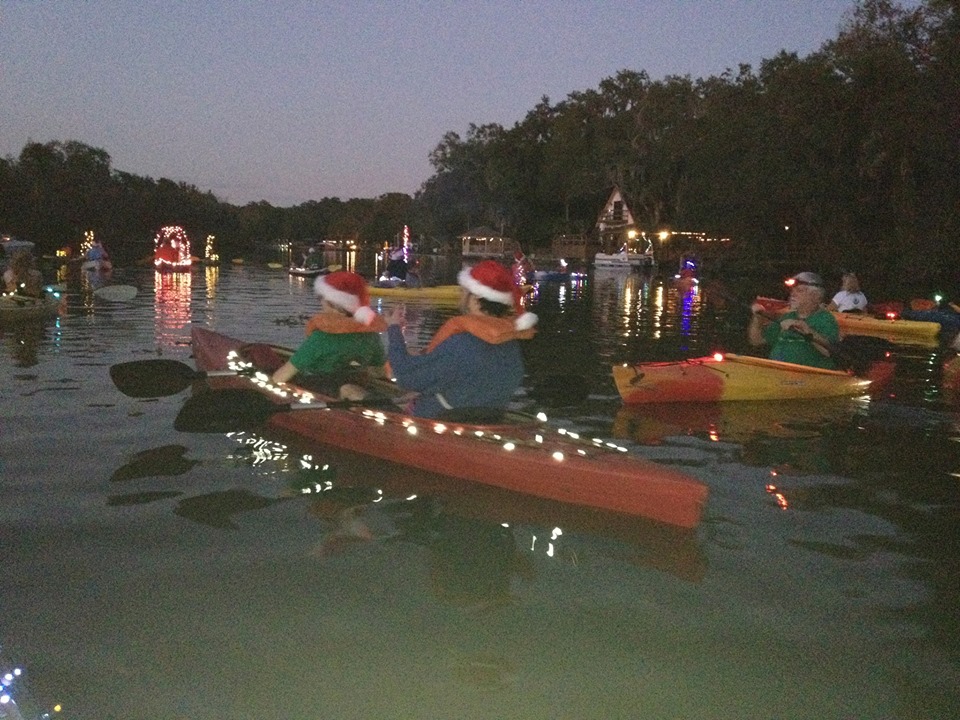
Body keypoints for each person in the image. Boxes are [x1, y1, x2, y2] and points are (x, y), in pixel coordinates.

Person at [384, 260, 538, 420]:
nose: (460, 297)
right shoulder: (511, 344)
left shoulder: (461, 344)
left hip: (440, 422)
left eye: (464, 292)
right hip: (489, 420)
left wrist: (394, 328)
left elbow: (405, 377)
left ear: (476, 300)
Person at [271, 271, 388, 398]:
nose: (320, 302)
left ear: (333, 304)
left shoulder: (322, 337)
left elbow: (280, 377)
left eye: (321, 298)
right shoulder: (372, 336)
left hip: (321, 388)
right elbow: (378, 372)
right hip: (358, 382)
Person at [748, 271, 840, 369]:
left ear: (816, 296)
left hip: (809, 378)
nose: (793, 294)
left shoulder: (825, 319)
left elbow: (830, 352)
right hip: (777, 375)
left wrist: (804, 328)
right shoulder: (787, 317)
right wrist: (758, 317)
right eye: (792, 291)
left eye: (799, 291)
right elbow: (756, 340)